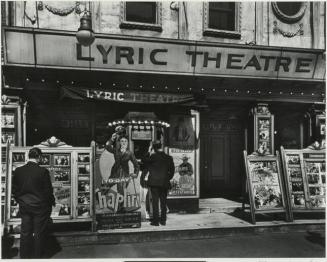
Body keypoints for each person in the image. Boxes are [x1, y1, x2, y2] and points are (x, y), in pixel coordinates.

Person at [12, 147, 55, 258]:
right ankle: (37, 257)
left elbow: (15, 190)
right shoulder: (43, 172)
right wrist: (49, 205)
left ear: (28, 156)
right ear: (39, 157)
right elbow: (48, 191)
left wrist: (20, 201)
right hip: (40, 207)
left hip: (25, 206)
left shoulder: (18, 171)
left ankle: (24, 257)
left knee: (25, 232)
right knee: (38, 233)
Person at [105, 133, 139, 212]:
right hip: (114, 173)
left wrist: (135, 173)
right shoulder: (116, 151)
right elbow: (107, 147)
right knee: (105, 187)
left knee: (121, 191)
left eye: (125, 141)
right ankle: (102, 203)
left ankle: (121, 209)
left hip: (124, 174)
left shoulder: (129, 153)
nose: (123, 143)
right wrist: (112, 139)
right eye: (122, 141)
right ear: (120, 142)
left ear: (127, 143)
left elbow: (136, 165)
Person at [144, 141, 175, 226]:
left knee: (155, 202)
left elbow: (144, 161)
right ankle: (163, 221)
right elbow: (172, 171)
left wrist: (148, 151)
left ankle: (156, 221)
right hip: (164, 182)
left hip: (154, 183)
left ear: (154, 148)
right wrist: (167, 178)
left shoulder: (153, 157)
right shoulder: (169, 157)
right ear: (161, 146)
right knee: (163, 202)